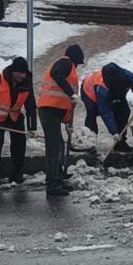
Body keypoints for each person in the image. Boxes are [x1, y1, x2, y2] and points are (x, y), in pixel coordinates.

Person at [0, 56, 36, 186]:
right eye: (20, 73)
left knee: (19, 143)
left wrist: (32, 127)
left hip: (14, 116)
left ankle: (16, 173)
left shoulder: (27, 83)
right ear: (13, 71)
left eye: (24, 73)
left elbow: (31, 105)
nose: (23, 76)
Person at [37, 43, 85, 199]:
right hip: (48, 110)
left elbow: (63, 101)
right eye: (78, 63)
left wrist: (68, 122)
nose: (77, 66)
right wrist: (71, 92)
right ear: (75, 59)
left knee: (59, 145)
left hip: (53, 111)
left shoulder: (67, 66)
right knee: (54, 146)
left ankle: (58, 177)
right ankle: (52, 184)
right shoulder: (65, 63)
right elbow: (57, 76)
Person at [81, 62, 133, 148]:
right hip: (88, 91)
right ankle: (89, 142)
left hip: (113, 91)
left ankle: (120, 143)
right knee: (92, 113)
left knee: (124, 111)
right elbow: (106, 112)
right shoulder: (102, 91)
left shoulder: (127, 76)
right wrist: (114, 132)